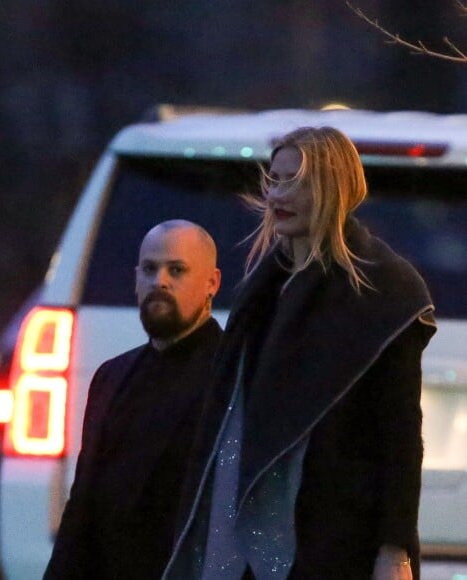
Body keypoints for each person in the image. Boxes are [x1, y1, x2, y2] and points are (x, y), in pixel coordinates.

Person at [163, 127, 436, 580]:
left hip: (336, 536)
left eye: (297, 181)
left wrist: (396, 549)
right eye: (274, 179)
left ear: (333, 188)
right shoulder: (261, 288)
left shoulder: (387, 292)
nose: (277, 194)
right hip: (246, 534)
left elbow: (401, 436)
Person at [43, 219, 222, 579]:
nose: (160, 282)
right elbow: (84, 505)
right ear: (136, 278)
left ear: (211, 284)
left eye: (177, 270)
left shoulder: (231, 378)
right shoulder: (112, 376)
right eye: (150, 269)